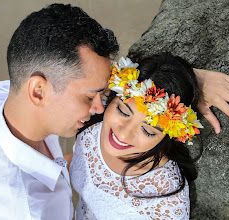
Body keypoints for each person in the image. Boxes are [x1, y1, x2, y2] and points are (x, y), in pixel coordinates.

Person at [0, 3, 229, 220]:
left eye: (105, 92)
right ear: (39, 91)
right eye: (91, 97)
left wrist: (184, 83)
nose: (101, 108)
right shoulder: (20, 211)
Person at [70, 54, 203, 219]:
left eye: (148, 131)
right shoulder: (92, 124)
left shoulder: (167, 201)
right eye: (122, 111)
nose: (123, 134)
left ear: (170, 135)